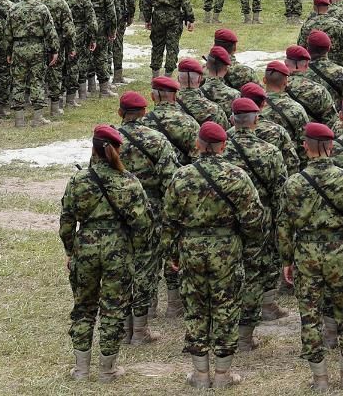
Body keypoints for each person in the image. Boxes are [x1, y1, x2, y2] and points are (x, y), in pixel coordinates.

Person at [161, 120, 267, 388]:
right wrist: (248, 247)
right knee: (226, 308)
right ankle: (222, 374)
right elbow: (254, 219)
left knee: (195, 309)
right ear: (223, 146)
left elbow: (169, 220)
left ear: (198, 145)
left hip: (191, 248)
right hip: (227, 249)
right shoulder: (237, 176)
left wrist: (172, 253)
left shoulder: (181, 176)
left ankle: (200, 375)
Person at [59, 124, 154, 381]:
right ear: (118, 150)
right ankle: (107, 370)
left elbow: (66, 221)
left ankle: (81, 369)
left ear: (93, 149)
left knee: (83, 307)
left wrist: (70, 250)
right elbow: (143, 225)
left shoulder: (78, 181)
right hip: (118, 249)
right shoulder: (129, 182)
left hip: (85, 248)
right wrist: (136, 251)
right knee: (113, 309)